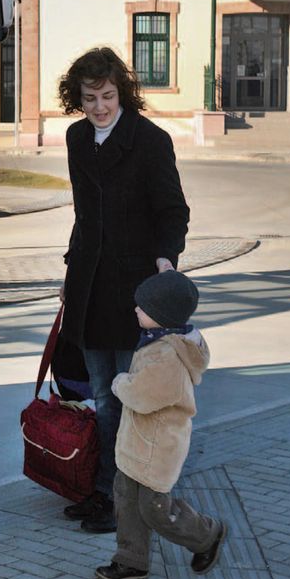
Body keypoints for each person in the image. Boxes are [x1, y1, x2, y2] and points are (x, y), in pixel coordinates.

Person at [59, 47, 190, 533]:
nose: (99, 107)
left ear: (123, 93)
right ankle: (101, 489)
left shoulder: (150, 141)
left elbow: (173, 211)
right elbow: (84, 216)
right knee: (99, 394)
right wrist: (69, 271)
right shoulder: (76, 139)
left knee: (129, 398)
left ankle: (122, 501)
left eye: (108, 96)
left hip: (134, 293)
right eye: (90, 97)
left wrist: (165, 261)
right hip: (89, 286)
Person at [94, 270, 226, 579]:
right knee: (126, 499)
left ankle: (205, 535)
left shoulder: (168, 356)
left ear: (162, 315)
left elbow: (141, 396)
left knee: (153, 509)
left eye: (143, 307)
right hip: (138, 442)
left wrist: (120, 381)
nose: (136, 310)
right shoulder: (159, 341)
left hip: (156, 447)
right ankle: (131, 559)